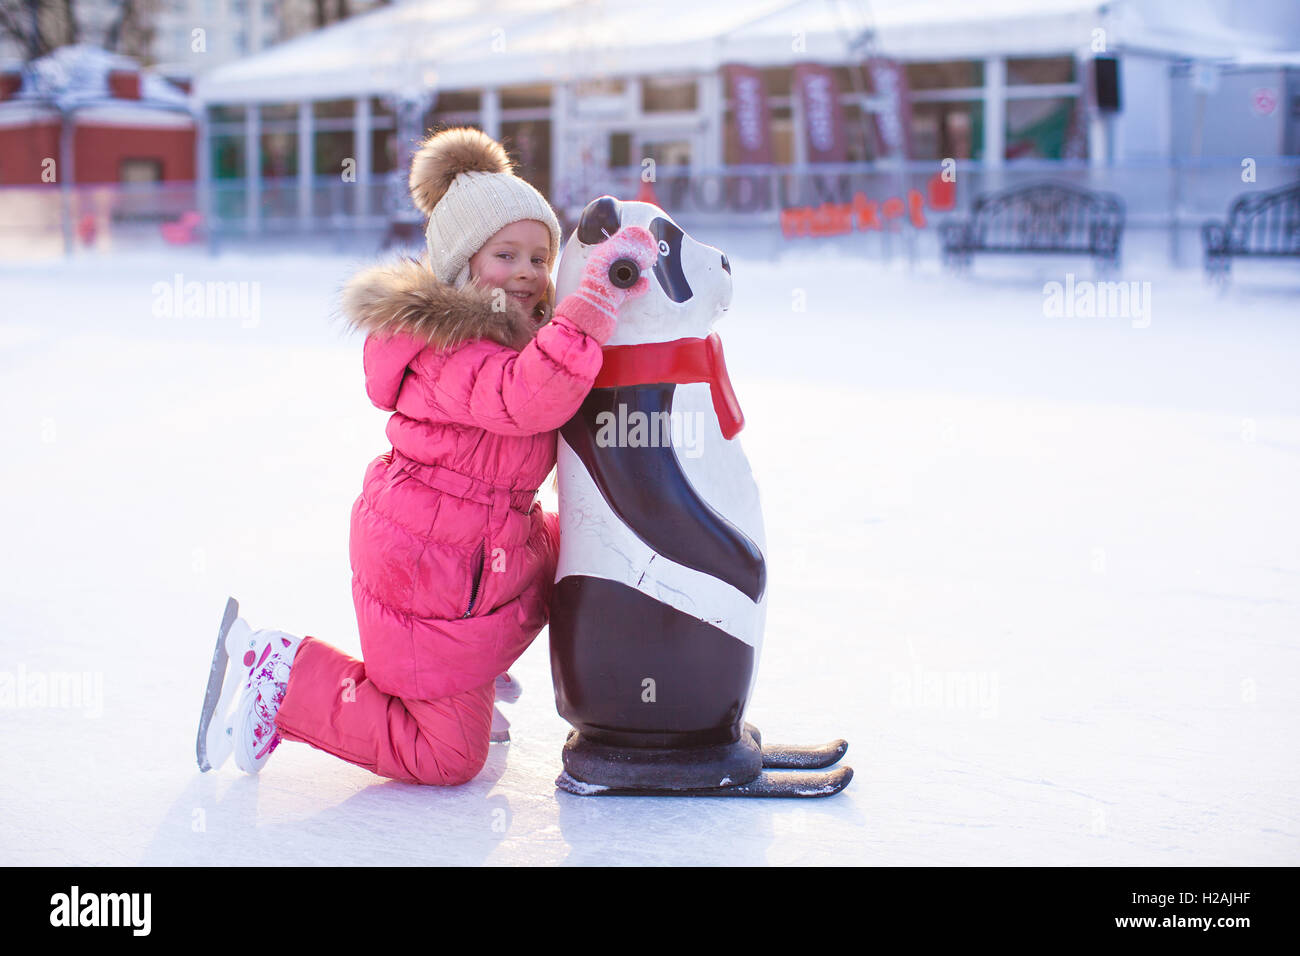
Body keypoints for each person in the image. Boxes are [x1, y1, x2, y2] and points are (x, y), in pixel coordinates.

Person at [200, 127, 658, 785]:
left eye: (540, 256)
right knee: (445, 759)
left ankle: (471, 671)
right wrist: (591, 306)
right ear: (461, 267)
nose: (529, 272)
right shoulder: (451, 349)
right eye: (506, 255)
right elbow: (529, 399)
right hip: (429, 568)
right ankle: (287, 674)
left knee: (579, 560)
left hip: (477, 549)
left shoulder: (514, 338)